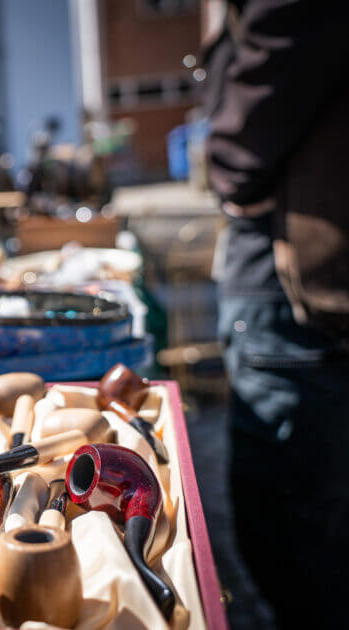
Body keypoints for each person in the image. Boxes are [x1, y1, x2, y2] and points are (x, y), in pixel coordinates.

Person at [206, 1, 349, 627]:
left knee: (296, 536)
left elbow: (287, 29)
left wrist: (230, 165)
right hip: (297, 256)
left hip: (295, 261)